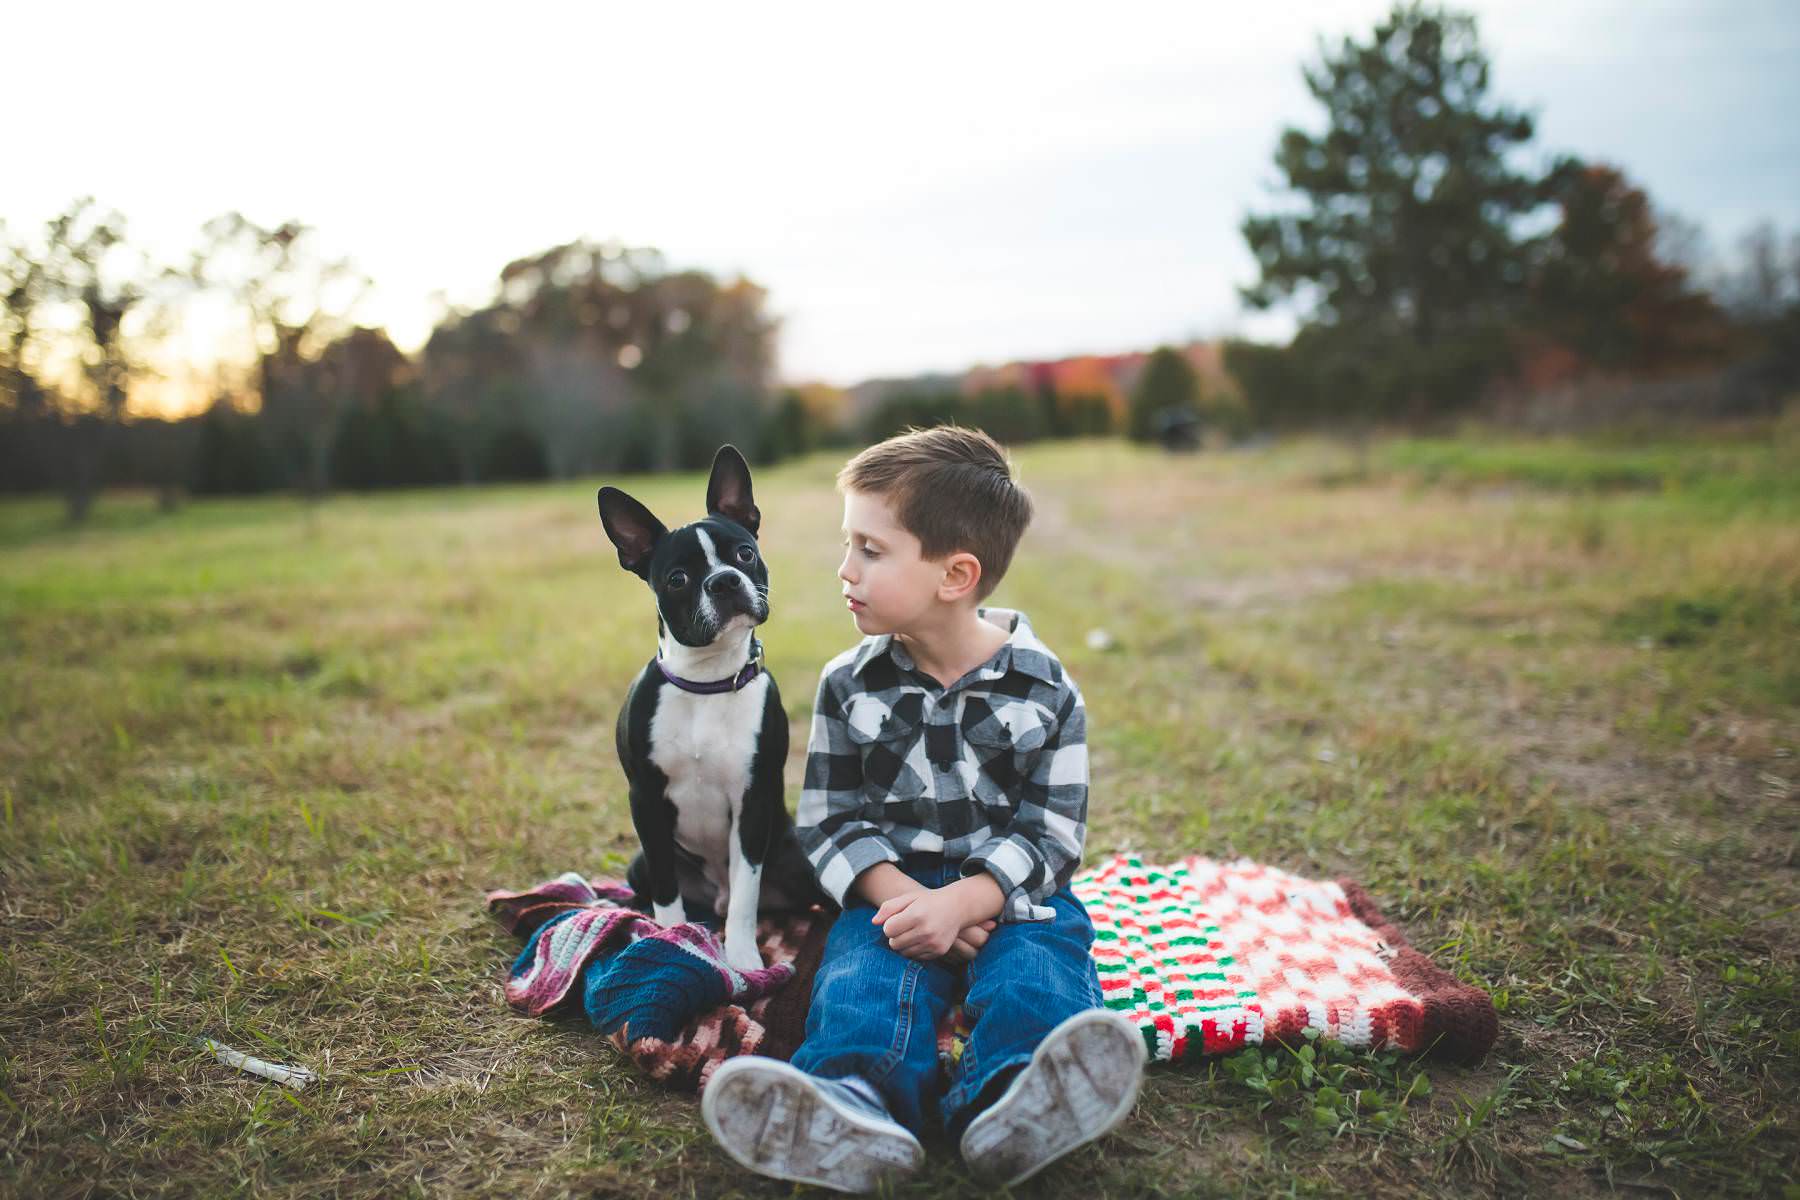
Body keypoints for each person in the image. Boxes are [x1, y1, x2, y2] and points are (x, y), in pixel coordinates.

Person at [702, 425, 1145, 1193]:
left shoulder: (1045, 687)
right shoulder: (850, 684)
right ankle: (855, 1107)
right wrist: (916, 904)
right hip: (890, 892)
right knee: (862, 982)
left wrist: (972, 899)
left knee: (1036, 974)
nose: (845, 570)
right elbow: (830, 820)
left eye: (871, 551)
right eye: (850, 545)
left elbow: (1053, 829)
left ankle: (1013, 1102)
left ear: (955, 575)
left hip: (1016, 894)